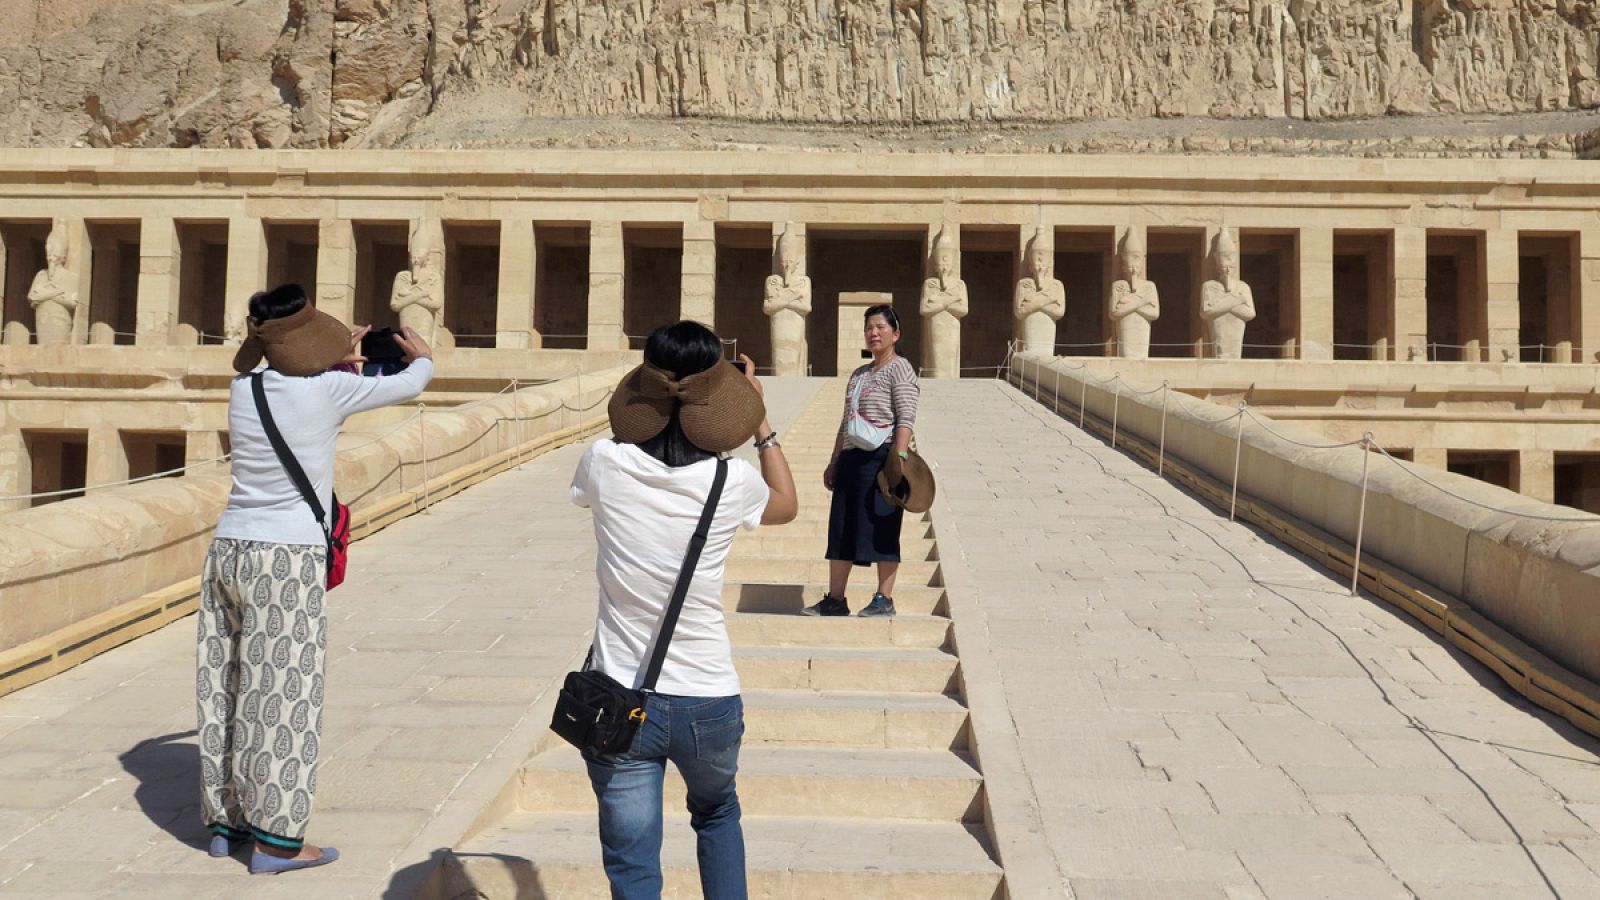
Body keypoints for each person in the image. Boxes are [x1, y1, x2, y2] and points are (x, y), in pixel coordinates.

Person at [196, 283, 433, 874]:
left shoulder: (243, 387)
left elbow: (293, 377)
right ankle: (276, 842)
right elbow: (412, 381)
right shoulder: (332, 389)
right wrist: (422, 352)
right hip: (285, 556)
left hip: (229, 547)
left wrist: (324, 353)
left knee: (224, 682)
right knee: (282, 693)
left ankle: (226, 822)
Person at [571, 321, 797, 900]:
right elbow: (787, 507)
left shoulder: (603, 462)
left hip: (619, 697)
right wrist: (760, 419)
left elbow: (621, 438)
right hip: (707, 699)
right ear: (722, 396)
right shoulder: (732, 479)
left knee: (632, 862)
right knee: (717, 814)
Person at [807, 304, 920, 618]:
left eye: (881, 327)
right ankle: (835, 599)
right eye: (869, 327)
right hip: (852, 458)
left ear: (895, 333)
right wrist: (834, 460)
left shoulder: (900, 368)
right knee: (841, 527)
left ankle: (884, 599)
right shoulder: (858, 375)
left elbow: (906, 416)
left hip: (884, 457)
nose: (874, 333)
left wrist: (898, 459)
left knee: (883, 525)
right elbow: (846, 421)